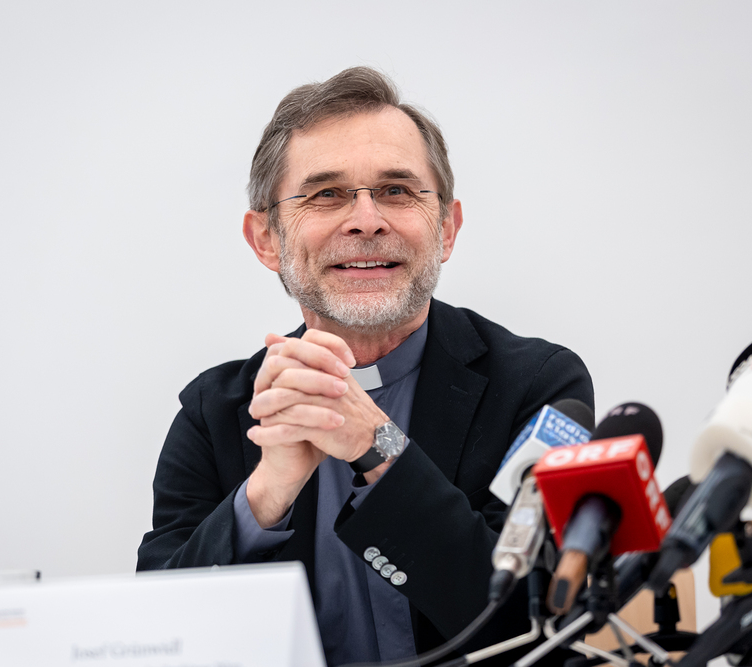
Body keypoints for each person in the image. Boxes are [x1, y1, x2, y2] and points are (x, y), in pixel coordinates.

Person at [137, 66, 593, 666]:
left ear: (446, 228)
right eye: (326, 194)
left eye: (397, 190)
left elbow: (536, 624)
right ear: (266, 239)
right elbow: (158, 639)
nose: (367, 219)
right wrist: (265, 496)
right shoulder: (214, 413)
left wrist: (377, 445)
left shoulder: (539, 386)